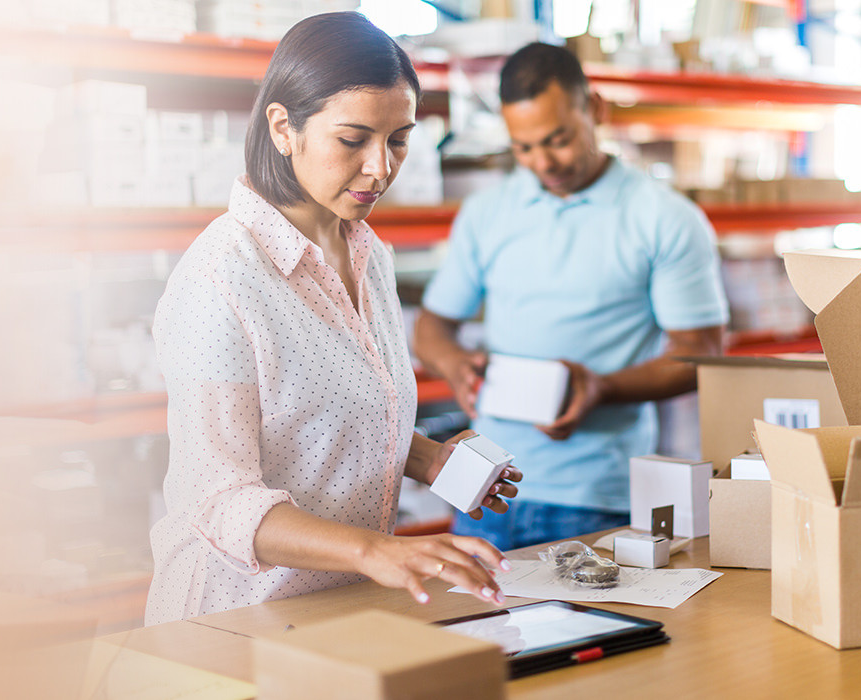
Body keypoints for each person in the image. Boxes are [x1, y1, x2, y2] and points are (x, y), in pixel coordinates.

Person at [145, 12, 523, 626]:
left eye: (399, 139)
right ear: (283, 127)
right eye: (353, 141)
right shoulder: (219, 280)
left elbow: (329, 417)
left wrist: (429, 459)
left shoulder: (369, 255)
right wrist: (380, 551)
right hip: (235, 623)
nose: (381, 167)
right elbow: (218, 499)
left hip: (343, 611)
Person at [413, 42, 729, 552]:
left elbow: (701, 354)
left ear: (596, 110)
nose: (543, 161)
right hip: (482, 485)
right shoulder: (487, 213)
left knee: (591, 631)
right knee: (475, 630)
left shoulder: (664, 218)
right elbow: (431, 325)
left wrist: (600, 388)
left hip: (597, 499)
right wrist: (455, 367)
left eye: (557, 140)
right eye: (524, 147)